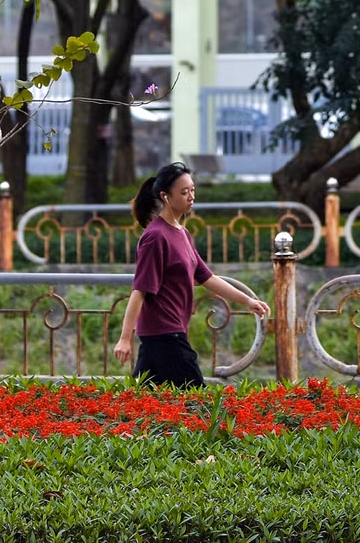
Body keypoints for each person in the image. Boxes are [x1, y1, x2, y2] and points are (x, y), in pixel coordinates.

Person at [113, 161, 269, 386]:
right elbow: (140, 290)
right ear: (166, 197)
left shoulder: (181, 233)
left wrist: (247, 300)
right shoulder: (155, 237)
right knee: (198, 400)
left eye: (192, 190)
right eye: (184, 192)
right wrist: (124, 338)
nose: (191, 196)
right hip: (164, 333)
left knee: (150, 406)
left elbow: (207, 278)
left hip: (170, 331)